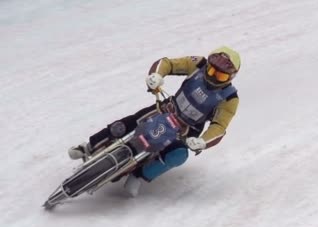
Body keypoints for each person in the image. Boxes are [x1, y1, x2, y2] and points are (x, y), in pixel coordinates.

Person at [68, 46, 241, 197]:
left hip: (187, 130)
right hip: (165, 109)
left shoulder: (229, 98)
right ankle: (89, 146)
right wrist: (157, 76)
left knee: (178, 154)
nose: (213, 77)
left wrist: (202, 141)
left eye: (221, 76)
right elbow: (168, 63)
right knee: (126, 124)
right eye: (212, 72)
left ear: (231, 77)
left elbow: (219, 126)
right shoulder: (197, 64)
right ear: (208, 66)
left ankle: (139, 176)